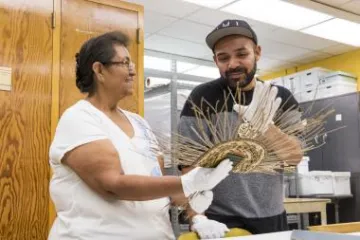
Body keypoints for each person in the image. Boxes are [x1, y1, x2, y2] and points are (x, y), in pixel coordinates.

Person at [48, 31, 233, 240]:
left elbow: (159, 182)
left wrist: (196, 216)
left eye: (132, 64)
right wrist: (189, 182)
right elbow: (114, 185)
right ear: (99, 70)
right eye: (125, 63)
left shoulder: (139, 123)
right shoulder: (79, 118)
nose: (133, 71)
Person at [178, 20, 303, 239]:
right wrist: (198, 217)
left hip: (273, 218)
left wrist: (265, 127)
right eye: (223, 57)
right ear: (215, 60)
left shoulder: (280, 98)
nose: (233, 64)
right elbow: (189, 168)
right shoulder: (201, 99)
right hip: (220, 222)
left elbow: (294, 157)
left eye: (241, 54)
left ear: (257, 52)